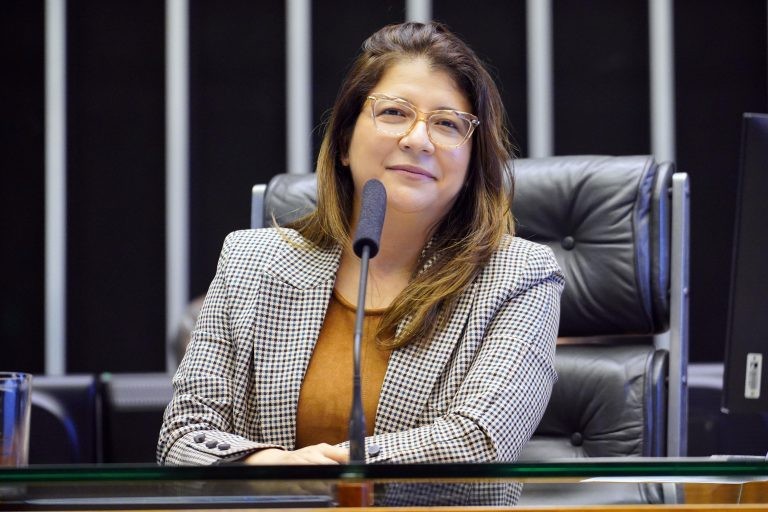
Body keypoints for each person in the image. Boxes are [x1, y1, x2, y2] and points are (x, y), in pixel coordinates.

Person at [157, 21, 564, 504]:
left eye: (448, 123)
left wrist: (336, 472)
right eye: (394, 113)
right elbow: (182, 436)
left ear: (473, 159)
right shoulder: (252, 260)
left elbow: (478, 444)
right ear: (346, 137)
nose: (419, 139)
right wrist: (277, 468)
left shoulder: (521, 275)